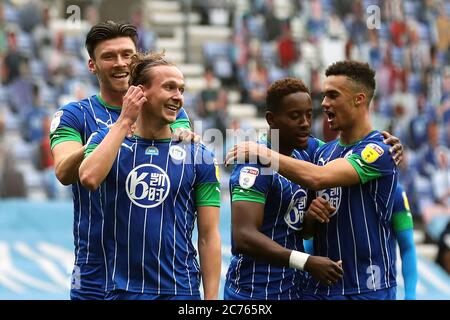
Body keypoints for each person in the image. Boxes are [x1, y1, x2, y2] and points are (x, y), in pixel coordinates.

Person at [227, 61, 400, 300]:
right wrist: (310, 218)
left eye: (332, 95)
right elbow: (300, 230)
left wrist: (262, 152)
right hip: (313, 289)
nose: (324, 104)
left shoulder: (379, 150)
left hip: (367, 288)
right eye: (324, 95)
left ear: (359, 99)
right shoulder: (320, 153)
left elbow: (316, 178)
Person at [49, 21, 192, 300]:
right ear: (92, 65)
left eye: (127, 54)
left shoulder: (170, 111)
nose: (120, 63)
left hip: (150, 270)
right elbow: (64, 172)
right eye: (108, 56)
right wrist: (105, 138)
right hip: (93, 265)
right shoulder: (74, 115)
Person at [78, 52, 221, 300]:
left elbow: (209, 235)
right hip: (121, 290)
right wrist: (124, 120)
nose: (178, 97)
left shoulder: (199, 155)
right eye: (169, 87)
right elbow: (89, 178)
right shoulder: (105, 141)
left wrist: (209, 301)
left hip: (180, 291)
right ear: (139, 92)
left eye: (181, 89)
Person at [225, 78, 344, 300]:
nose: (305, 123)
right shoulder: (254, 166)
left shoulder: (305, 151)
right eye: (295, 116)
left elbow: (347, 149)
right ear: (271, 119)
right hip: (254, 292)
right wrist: (306, 261)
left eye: (309, 114)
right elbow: (243, 236)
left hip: (293, 289)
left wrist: (382, 142)